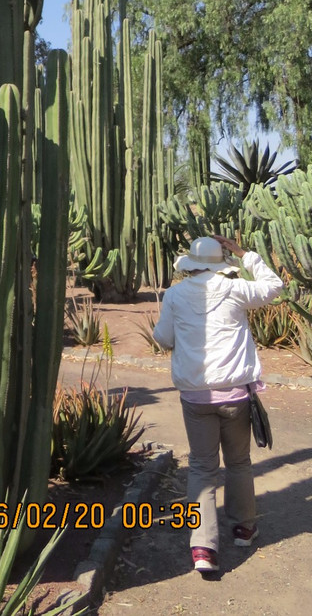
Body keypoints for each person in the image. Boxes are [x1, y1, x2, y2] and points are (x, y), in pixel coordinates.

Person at [152, 234, 283, 574]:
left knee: (201, 467)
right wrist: (244, 254)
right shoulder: (237, 290)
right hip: (236, 394)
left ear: (190, 265)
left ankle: (202, 549)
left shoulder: (175, 295)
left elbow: (163, 337)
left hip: (195, 397)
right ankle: (243, 528)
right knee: (239, 461)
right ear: (222, 263)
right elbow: (274, 286)